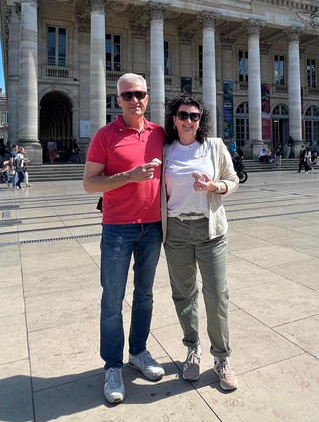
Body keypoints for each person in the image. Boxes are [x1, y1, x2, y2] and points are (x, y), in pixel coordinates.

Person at [82, 73, 167, 404]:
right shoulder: (105, 135)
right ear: (118, 100)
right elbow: (90, 183)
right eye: (128, 95)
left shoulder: (160, 133)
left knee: (145, 295)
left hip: (153, 227)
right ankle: (112, 365)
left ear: (147, 98)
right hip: (118, 226)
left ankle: (139, 352)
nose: (135, 99)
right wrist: (127, 177)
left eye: (140, 94)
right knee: (112, 300)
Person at [161, 94, 240, 391]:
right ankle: (192, 349)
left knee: (217, 295)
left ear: (201, 120)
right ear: (174, 119)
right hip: (177, 232)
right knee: (183, 295)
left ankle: (221, 358)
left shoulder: (215, 146)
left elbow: (233, 180)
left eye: (194, 116)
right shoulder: (166, 150)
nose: (189, 120)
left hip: (211, 232)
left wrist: (215, 186)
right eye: (183, 115)